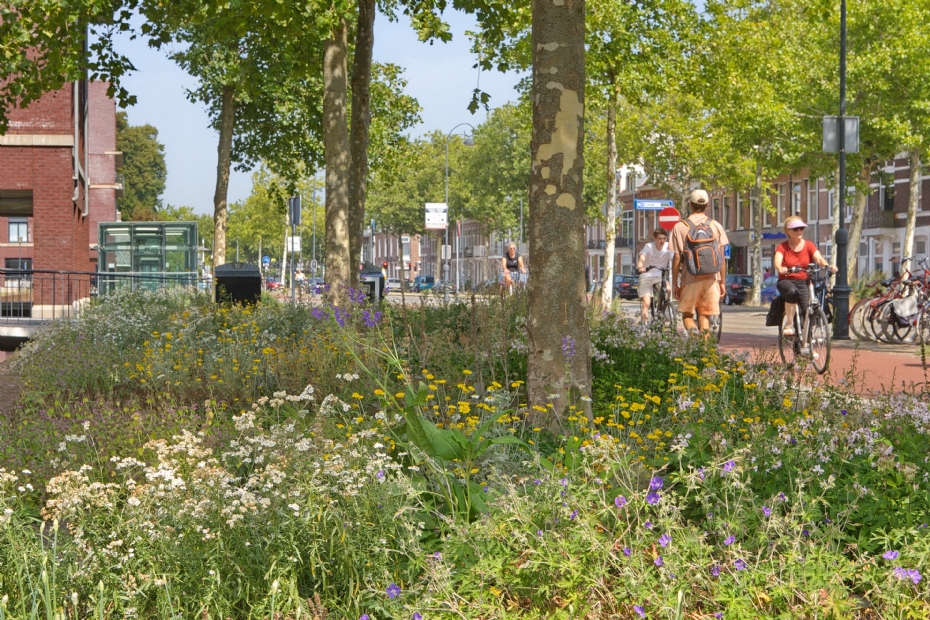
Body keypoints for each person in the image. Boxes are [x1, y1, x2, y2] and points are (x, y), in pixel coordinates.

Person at [671, 189, 730, 333]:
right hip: (711, 278)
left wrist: (674, 283)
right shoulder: (715, 226)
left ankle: (693, 333)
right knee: (705, 316)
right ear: (707, 205)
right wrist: (722, 281)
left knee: (687, 315)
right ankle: (704, 351)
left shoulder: (680, 227)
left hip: (690, 277)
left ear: (690, 204)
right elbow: (721, 256)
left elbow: (677, 257)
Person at [774, 216, 836, 336]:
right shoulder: (782, 247)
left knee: (807, 310)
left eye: (801, 228)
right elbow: (777, 261)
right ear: (788, 231)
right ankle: (789, 323)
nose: (799, 231)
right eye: (795, 229)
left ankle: (807, 345)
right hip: (786, 280)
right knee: (792, 292)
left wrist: (828, 266)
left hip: (803, 281)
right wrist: (780, 268)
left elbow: (818, 258)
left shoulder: (809, 245)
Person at [636, 227, 674, 323]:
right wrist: (641, 267)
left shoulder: (668, 247)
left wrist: (681, 267)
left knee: (668, 289)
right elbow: (642, 258)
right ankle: (644, 327)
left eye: (664, 238)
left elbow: (674, 259)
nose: (662, 241)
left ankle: (664, 309)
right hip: (646, 276)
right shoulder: (649, 246)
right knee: (646, 303)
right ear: (655, 239)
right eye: (659, 239)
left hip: (659, 276)